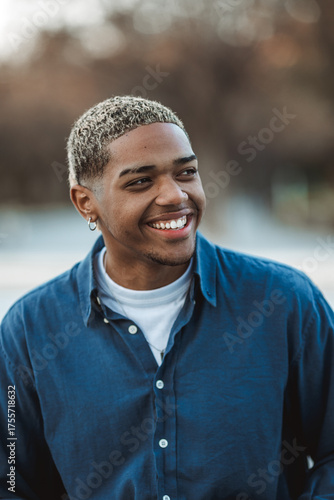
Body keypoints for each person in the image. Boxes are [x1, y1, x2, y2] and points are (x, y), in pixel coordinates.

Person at [0, 96, 333, 500]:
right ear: (85, 202)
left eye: (186, 172)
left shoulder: (284, 302)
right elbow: (14, 481)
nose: (175, 195)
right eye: (141, 181)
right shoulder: (29, 330)